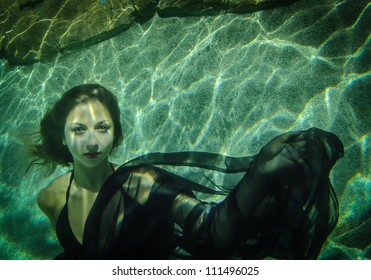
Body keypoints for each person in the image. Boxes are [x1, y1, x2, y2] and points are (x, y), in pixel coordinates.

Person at [27, 84, 344, 260]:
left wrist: (259, 174)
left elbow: (212, 227)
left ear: (115, 133)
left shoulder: (141, 182)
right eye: (79, 130)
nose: (92, 141)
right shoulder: (50, 198)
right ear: (62, 137)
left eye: (102, 128)